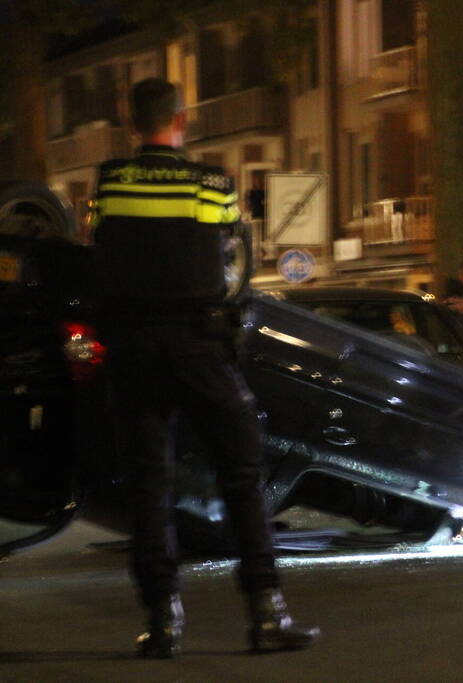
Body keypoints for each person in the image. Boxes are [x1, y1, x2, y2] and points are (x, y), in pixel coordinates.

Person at [91, 78, 319, 658]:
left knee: (149, 486)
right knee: (243, 473)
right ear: (182, 119)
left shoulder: (111, 182)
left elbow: (106, 255)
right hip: (199, 348)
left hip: (135, 353)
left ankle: (163, 622)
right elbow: (229, 261)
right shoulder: (211, 186)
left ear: (129, 120)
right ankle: (266, 615)